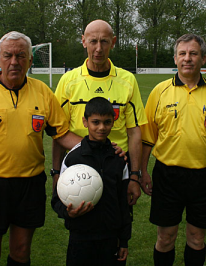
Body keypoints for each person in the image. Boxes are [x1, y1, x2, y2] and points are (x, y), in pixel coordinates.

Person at [0, 31, 82, 266]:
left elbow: (61, 133)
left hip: (29, 184)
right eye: (8, 55)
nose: (14, 61)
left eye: (21, 56)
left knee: (21, 251)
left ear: (30, 60)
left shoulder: (42, 92)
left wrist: (95, 147)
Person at [140, 33, 206, 266]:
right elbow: (147, 139)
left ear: (203, 58)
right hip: (167, 176)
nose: (188, 58)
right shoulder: (160, 91)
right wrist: (142, 171)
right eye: (182, 53)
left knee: (197, 238)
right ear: (174, 59)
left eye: (193, 53)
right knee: (165, 238)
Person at [52, 19, 147, 207]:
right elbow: (57, 130)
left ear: (113, 42)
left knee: (118, 225)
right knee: (81, 227)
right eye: (93, 41)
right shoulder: (68, 81)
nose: (98, 48)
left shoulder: (127, 80)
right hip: (79, 166)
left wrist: (134, 176)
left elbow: (134, 132)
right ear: (83, 41)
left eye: (104, 41)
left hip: (117, 165)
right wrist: (56, 172)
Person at [52, 97, 132, 266]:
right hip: (81, 237)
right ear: (85, 122)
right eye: (96, 122)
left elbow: (124, 205)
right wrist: (68, 213)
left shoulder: (118, 159)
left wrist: (124, 240)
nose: (102, 127)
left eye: (107, 122)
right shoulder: (73, 158)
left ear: (113, 122)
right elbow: (56, 200)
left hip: (111, 237)